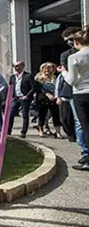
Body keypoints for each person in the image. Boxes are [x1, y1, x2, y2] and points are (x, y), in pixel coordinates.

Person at [61, 25, 89, 171]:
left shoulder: (74, 57)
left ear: (77, 43)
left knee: (85, 126)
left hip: (81, 94)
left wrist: (64, 72)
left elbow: (71, 81)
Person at [7, 61, 37, 138]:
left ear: (22, 66)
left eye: (17, 66)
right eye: (14, 66)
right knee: (10, 114)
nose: (16, 68)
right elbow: (10, 87)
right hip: (16, 98)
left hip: (25, 98)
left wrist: (27, 96)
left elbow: (33, 87)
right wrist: (11, 96)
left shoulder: (28, 75)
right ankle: (8, 131)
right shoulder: (13, 77)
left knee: (25, 115)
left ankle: (23, 132)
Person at [35, 63, 62, 138]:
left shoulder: (54, 77)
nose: (47, 70)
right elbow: (39, 88)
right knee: (42, 115)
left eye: (49, 68)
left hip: (53, 98)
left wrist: (56, 96)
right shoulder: (39, 78)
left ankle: (58, 132)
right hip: (43, 98)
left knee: (56, 115)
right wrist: (47, 94)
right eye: (45, 68)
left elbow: (57, 87)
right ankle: (41, 130)